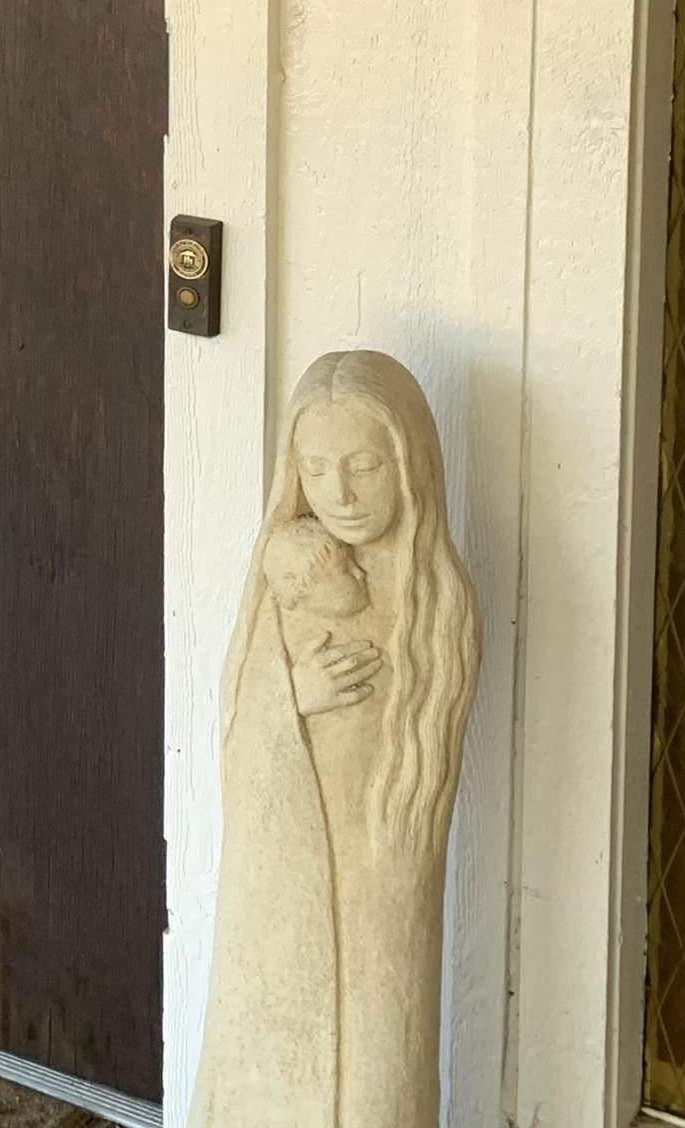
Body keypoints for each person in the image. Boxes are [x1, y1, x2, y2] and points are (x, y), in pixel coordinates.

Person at [193, 349, 481, 1128]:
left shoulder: (435, 599)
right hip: (275, 881)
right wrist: (293, 696)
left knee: (378, 1068)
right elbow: (234, 717)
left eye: (362, 466)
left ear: (408, 462)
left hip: (379, 881)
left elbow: (425, 768)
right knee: (265, 1046)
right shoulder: (280, 571)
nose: (340, 494)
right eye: (316, 468)